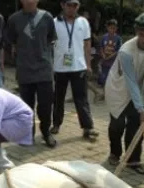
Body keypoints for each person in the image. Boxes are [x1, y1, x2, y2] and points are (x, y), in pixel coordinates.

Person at [104, 12, 144, 175]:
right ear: (136, 32)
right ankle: (114, 153)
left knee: (136, 125)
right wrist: (141, 108)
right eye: (142, 35)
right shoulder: (126, 51)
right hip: (119, 89)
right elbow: (130, 81)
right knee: (117, 125)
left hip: (140, 88)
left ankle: (133, 160)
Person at [6, 0, 57, 148]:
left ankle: (46, 132)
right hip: (24, 70)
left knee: (46, 105)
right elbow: (11, 41)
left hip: (44, 70)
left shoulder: (46, 17)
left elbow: (50, 39)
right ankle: (28, 134)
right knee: (26, 107)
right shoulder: (14, 19)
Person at [50, 0, 99, 142]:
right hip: (60, 66)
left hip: (79, 66)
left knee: (81, 98)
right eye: (69, 5)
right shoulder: (54, 22)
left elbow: (87, 43)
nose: (72, 8)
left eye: (75, 5)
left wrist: (88, 64)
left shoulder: (83, 22)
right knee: (59, 97)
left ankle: (87, 127)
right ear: (62, 5)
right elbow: (49, 44)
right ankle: (56, 124)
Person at [98, 19, 122, 86]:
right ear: (107, 28)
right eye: (111, 28)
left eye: (114, 28)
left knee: (112, 78)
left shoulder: (118, 38)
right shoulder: (104, 37)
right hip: (104, 61)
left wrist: (110, 56)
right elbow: (101, 47)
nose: (112, 30)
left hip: (113, 62)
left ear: (116, 28)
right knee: (103, 79)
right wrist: (103, 55)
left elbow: (118, 50)